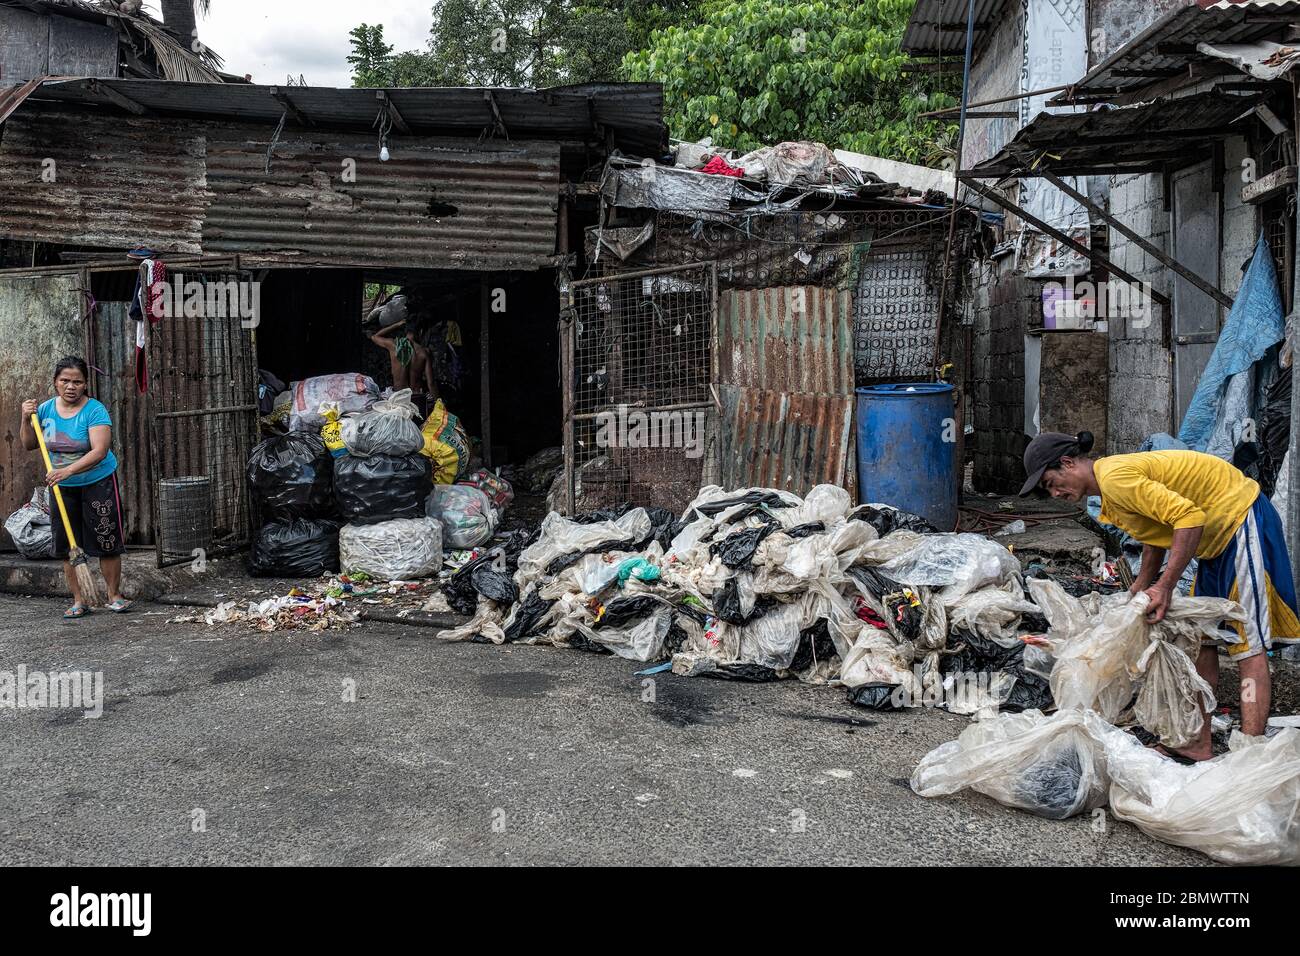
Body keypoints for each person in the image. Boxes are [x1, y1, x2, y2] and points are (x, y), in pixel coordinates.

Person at [1021, 430, 1297, 760]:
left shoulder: (1114, 479)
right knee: (1201, 642)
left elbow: (1189, 519)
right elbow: (1157, 529)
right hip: (1214, 546)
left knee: (1247, 644)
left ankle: (1251, 751)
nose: (1055, 493)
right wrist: (1141, 587)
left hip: (1240, 520)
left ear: (1067, 463)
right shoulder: (1110, 492)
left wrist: (1164, 586)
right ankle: (1197, 742)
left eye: (1052, 483)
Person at [19, 356, 131, 618]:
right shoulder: (44, 410)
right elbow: (28, 444)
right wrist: (25, 419)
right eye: (65, 381)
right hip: (61, 487)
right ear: (55, 383)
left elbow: (100, 451)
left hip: (97, 481)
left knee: (107, 538)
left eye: (77, 381)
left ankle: (114, 595)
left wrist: (66, 470)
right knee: (68, 544)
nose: (71, 386)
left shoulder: (94, 410)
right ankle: (80, 599)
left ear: (85, 384)